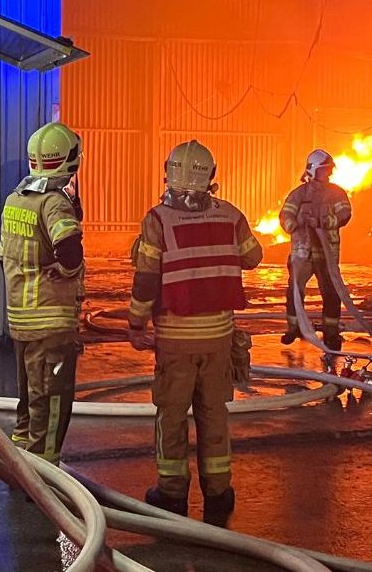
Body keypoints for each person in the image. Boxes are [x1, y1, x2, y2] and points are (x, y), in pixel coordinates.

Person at [127, 140, 262, 527]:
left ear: (168, 171)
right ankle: (218, 493)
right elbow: (254, 258)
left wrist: (136, 323)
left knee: (171, 415)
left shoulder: (158, 219)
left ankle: (171, 494)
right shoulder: (231, 216)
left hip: (175, 339)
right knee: (213, 413)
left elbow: (147, 279)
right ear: (211, 176)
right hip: (219, 338)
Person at [0, 121, 84, 463]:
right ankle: (45, 475)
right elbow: (69, 248)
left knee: (29, 397)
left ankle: (20, 459)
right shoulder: (53, 203)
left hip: (22, 317)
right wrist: (66, 271)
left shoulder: (16, 199)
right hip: (51, 320)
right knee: (52, 399)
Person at [279, 148, 351, 351]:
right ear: (312, 171)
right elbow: (285, 217)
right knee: (295, 290)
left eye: (328, 170)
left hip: (327, 252)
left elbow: (345, 214)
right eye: (323, 170)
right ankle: (294, 328)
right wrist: (296, 222)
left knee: (331, 291)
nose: (327, 174)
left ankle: (331, 332)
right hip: (302, 252)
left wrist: (323, 221)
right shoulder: (298, 194)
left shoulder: (336, 192)